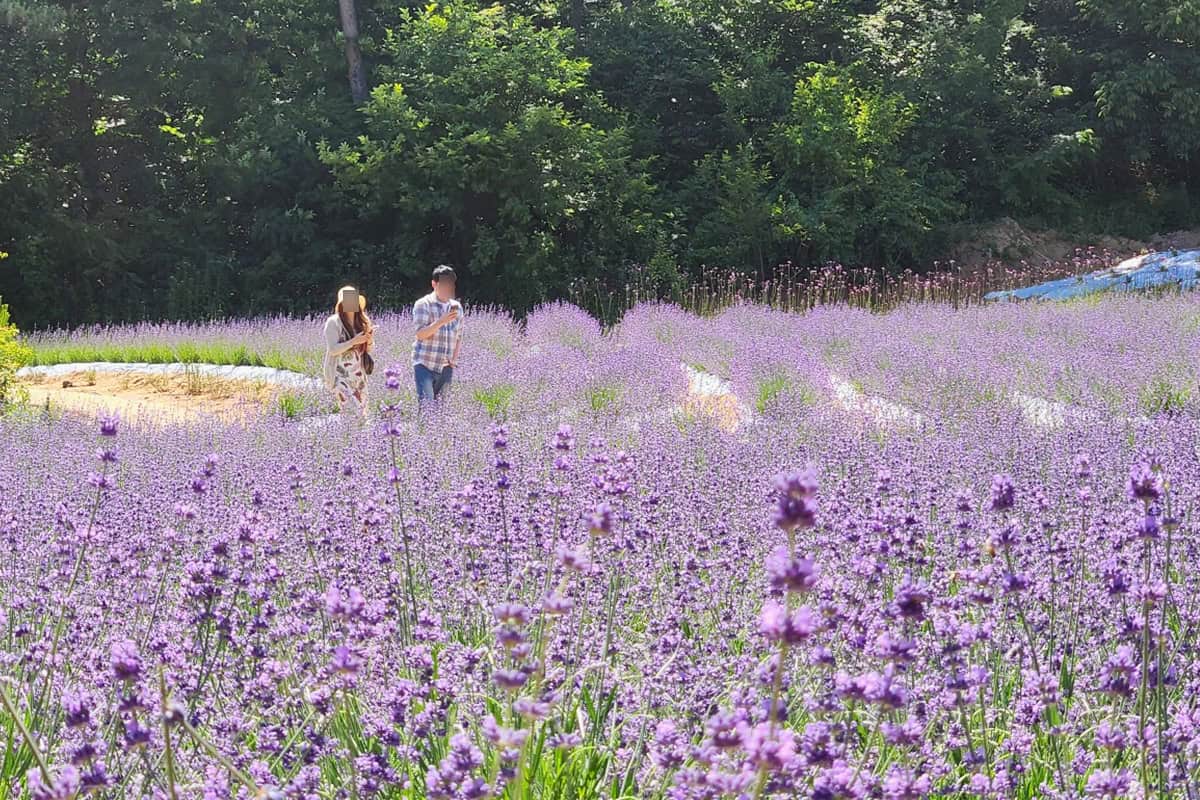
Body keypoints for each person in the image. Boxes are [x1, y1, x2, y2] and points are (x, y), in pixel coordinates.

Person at [412, 265, 463, 408]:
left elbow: (458, 335)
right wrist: (441, 321)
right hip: (425, 364)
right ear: (434, 284)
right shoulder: (423, 304)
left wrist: (454, 358)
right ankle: (422, 431)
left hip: (446, 366)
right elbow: (421, 334)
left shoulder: (457, 307)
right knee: (427, 409)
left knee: (441, 411)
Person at [323, 286, 374, 418]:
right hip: (340, 375)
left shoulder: (363, 321)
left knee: (362, 414)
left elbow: (368, 349)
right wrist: (353, 341)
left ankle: (358, 438)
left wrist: (368, 339)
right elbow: (333, 349)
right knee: (351, 411)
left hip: (359, 375)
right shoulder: (333, 322)